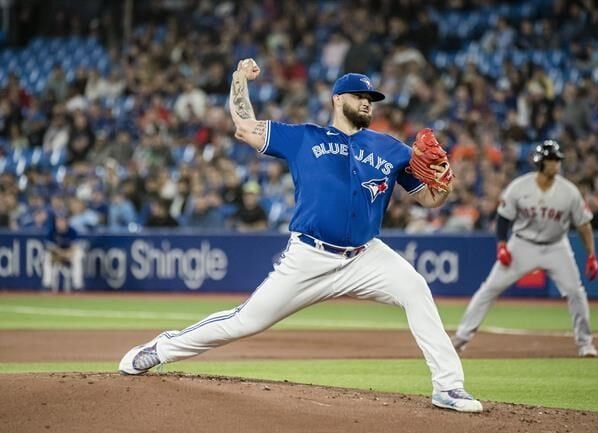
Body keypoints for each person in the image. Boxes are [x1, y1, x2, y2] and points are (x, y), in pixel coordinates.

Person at [119, 59, 483, 413]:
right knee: (246, 321)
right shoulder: (304, 137)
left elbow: (430, 198)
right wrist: (239, 79)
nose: (367, 102)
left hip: (366, 255)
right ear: (338, 100)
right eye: (359, 96)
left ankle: (448, 386)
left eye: (371, 99)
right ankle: (163, 348)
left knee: (415, 288)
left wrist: (444, 184)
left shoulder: (391, 149)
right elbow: (245, 125)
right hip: (310, 255)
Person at [452, 140, 598, 358]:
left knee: (575, 292)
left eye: (557, 160)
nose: (556, 164)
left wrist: (591, 255)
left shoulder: (569, 192)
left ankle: (585, 343)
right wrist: (502, 245)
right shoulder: (520, 187)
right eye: (552, 160)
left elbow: (584, 225)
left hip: (556, 246)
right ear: (540, 162)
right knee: (490, 288)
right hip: (522, 244)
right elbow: (503, 218)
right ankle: (461, 338)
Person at [42, 212, 84, 293]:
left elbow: (75, 246)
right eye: (59, 221)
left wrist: (68, 254)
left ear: (67, 222)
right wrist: (62, 254)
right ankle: (47, 285)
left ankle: (77, 286)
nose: (61, 223)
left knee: (78, 256)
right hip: (57, 255)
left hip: (69, 255)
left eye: (63, 220)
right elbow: (50, 247)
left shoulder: (72, 231)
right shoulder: (52, 231)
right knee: (47, 256)